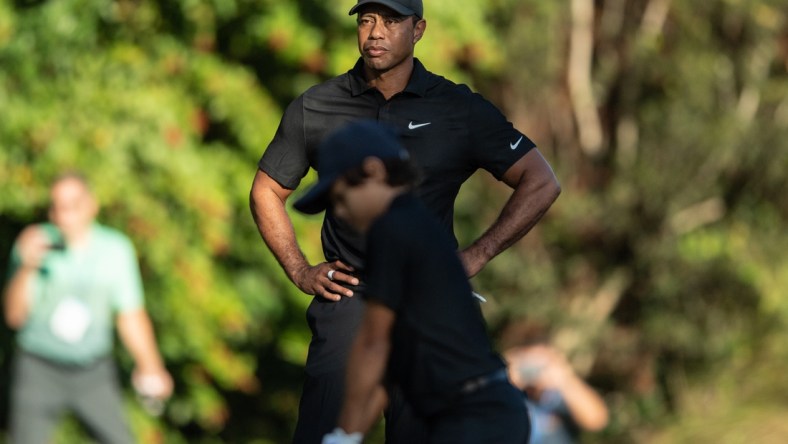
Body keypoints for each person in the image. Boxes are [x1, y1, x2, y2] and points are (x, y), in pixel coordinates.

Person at [249, 0, 561, 442]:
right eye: (366, 20)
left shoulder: (458, 108)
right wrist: (299, 268)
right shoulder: (316, 106)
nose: (375, 32)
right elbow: (266, 190)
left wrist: (478, 253)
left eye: (391, 20)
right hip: (349, 294)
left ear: (418, 30)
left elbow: (540, 180)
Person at [291, 120, 530, 444]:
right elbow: (386, 367)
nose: (341, 213)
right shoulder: (413, 228)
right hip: (485, 415)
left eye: (341, 197)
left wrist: (343, 436)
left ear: (374, 171)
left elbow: (372, 345)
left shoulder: (393, 228)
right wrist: (350, 435)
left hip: (474, 418)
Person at [2, 172, 173, 444]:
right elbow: (14, 317)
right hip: (39, 368)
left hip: (93, 372)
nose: (64, 216)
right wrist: (26, 268)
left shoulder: (116, 250)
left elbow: (130, 315)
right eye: (57, 207)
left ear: (91, 205)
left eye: (72, 206)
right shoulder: (35, 243)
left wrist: (151, 366)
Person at [504, 343, 609, 444]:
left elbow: (597, 420)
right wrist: (504, 380)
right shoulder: (504, 395)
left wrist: (565, 379)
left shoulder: (558, 395)